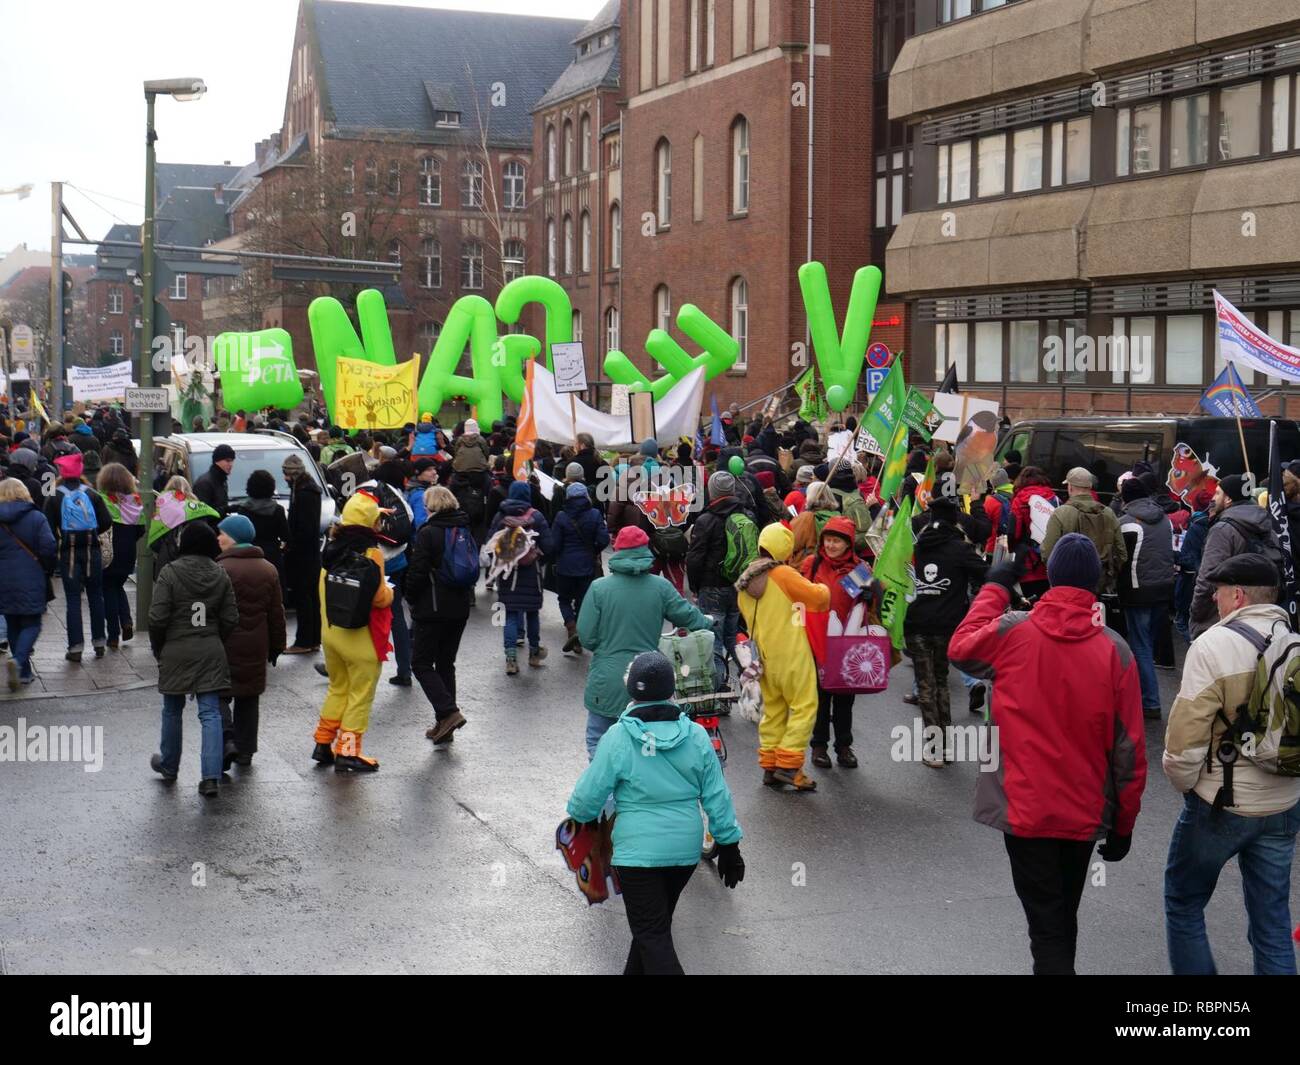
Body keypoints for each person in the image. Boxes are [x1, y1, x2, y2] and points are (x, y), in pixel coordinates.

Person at [949, 535, 1146, 974]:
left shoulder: (1013, 630)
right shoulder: (1116, 649)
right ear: (1094, 584)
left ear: (1052, 576)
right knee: (1059, 916)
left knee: (1048, 924)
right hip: (1083, 810)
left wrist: (995, 588)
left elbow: (960, 648)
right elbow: (1129, 749)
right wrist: (1124, 823)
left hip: (1025, 808)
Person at [1162, 555, 1300, 975]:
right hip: (1284, 802)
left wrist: (1188, 786)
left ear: (1237, 595)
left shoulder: (1212, 646)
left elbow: (1184, 742)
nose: (1215, 600)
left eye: (1218, 592)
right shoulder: (1292, 642)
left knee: (1183, 902)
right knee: (1272, 921)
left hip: (1223, 800)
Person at [566, 651, 744, 975]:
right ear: (671, 689)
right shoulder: (696, 736)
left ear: (632, 690)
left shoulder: (619, 738)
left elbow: (585, 798)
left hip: (637, 856)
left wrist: (585, 820)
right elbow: (717, 794)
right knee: (651, 930)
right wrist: (729, 845)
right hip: (683, 852)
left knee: (652, 934)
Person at [577, 526, 712, 758]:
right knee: (644, 748)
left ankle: (607, 790)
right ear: (646, 551)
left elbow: (586, 637)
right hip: (648, 680)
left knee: (599, 745)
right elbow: (687, 616)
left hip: (605, 681)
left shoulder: (599, 589)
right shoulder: (660, 587)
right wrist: (708, 622)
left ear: (617, 551)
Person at [148, 521, 240, 798]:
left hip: (176, 647)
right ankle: (210, 777)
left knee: (172, 710)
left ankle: (169, 765)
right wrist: (215, 638)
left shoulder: (170, 572)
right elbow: (230, 618)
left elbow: (157, 617)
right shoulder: (220, 574)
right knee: (210, 712)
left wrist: (159, 646)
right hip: (210, 647)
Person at [737, 522, 830, 790]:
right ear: (785, 548)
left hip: (764, 656)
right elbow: (819, 599)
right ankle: (789, 766)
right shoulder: (783, 574)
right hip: (791, 652)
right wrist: (820, 585)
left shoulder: (746, 578)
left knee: (775, 710)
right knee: (804, 705)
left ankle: (770, 765)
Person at [311, 492, 394, 772]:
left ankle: (323, 743)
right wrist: (392, 594)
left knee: (338, 689)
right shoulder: (371, 554)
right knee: (360, 694)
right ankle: (347, 751)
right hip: (362, 639)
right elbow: (379, 597)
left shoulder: (330, 551)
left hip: (331, 636)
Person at [905, 497, 989, 766]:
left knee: (926, 685)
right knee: (941, 682)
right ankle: (945, 747)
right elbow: (987, 575)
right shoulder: (960, 549)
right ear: (955, 520)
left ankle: (935, 748)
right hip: (948, 625)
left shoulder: (913, 547)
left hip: (916, 622)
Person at [801, 516, 876, 768]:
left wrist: (872, 593)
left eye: (837, 541)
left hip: (848, 642)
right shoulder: (813, 564)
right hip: (817, 639)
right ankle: (819, 746)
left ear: (848, 544)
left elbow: (869, 608)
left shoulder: (859, 569)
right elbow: (798, 598)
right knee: (820, 699)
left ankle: (844, 746)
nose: (831, 545)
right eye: (828, 540)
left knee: (845, 699)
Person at [215, 514, 286, 768]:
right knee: (249, 697)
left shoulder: (220, 569)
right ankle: (246, 751)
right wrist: (277, 646)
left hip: (225, 644)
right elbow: (276, 613)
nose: (218, 537)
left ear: (233, 538)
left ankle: (226, 739)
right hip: (256, 645)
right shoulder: (269, 569)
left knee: (218, 694)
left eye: (222, 533)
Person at [405, 486, 472, 746]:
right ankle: (444, 723)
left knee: (420, 663)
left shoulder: (429, 533)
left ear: (430, 506)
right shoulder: (463, 528)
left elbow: (417, 572)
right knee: (446, 663)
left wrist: (411, 598)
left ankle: (448, 712)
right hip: (460, 606)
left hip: (432, 607)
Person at [1189, 474, 1282, 640]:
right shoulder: (1267, 525)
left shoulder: (1222, 529)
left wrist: (1196, 614)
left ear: (1228, 499)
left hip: (1222, 618)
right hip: (1259, 615)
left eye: (1218, 493)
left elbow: (1207, 578)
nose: (1213, 498)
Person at [1117, 477, 1176, 720]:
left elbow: (1119, 557)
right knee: (1147, 644)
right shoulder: (1165, 520)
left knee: (1140, 646)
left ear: (1125, 498)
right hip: (1163, 590)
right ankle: (1145, 695)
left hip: (1137, 589)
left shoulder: (1125, 524)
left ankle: (1150, 702)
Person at [687, 470, 752, 692]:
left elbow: (695, 557)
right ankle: (751, 672)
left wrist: (695, 586)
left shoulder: (706, 520)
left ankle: (718, 687)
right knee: (733, 635)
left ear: (712, 491)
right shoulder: (745, 517)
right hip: (737, 586)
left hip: (711, 586)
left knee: (712, 638)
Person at [44, 451, 111, 662]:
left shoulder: (54, 494)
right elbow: (107, 521)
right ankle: (99, 642)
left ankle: (75, 648)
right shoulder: (92, 493)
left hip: (69, 553)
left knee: (73, 599)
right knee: (95, 596)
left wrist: (60, 538)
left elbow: (47, 525)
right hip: (92, 550)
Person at [486, 479, 553, 674]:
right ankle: (534, 654)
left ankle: (511, 658)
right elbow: (549, 546)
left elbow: (490, 546)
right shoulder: (537, 516)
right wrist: (537, 557)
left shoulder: (501, 515)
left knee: (510, 614)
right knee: (532, 613)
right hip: (532, 573)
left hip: (507, 574)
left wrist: (504, 558)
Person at [0, 478, 56, 689]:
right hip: (31, 576)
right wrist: (47, 568)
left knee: (13, 622)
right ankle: (19, 661)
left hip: (3, 579)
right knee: (32, 623)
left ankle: (23, 672)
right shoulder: (36, 517)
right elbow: (49, 547)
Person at [1040, 467, 1127, 597]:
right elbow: (1122, 553)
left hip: (1066, 586)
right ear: (1090, 487)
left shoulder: (1061, 513)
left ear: (1070, 487)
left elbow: (1047, 553)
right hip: (1099, 584)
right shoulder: (1108, 513)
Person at [551, 481, 610, 655]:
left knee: (564, 599)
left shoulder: (561, 516)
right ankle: (578, 633)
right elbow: (604, 539)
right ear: (586, 497)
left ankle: (571, 627)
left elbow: (554, 544)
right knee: (583, 601)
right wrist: (593, 550)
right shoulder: (594, 514)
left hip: (565, 566)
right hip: (586, 566)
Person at [96, 462, 145, 650]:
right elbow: (141, 530)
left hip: (109, 552)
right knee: (118, 585)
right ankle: (126, 621)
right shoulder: (135, 501)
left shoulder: (101, 500)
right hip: (128, 553)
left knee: (107, 588)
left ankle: (114, 635)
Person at [281, 454, 322, 654]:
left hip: (303, 555)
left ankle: (304, 641)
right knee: (312, 597)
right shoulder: (309, 489)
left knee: (303, 598)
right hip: (311, 553)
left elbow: (303, 528)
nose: (285, 479)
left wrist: (290, 544)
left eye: (286, 474)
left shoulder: (303, 493)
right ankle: (313, 638)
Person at [1008, 467, 1058, 600]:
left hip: (1028, 564)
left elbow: (1014, 534)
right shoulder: (1054, 499)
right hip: (1051, 563)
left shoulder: (1019, 501)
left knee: (1031, 606)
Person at [232, 468, 289, 581]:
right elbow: (285, 536)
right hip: (272, 556)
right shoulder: (278, 510)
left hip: (249, 555)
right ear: (271, 487)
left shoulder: (243, 509)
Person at [1174, 486, 1214, 642]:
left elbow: (1187, 556)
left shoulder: (1196, 524)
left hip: (1191, 578)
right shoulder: (1215, 522)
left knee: (1183, 622)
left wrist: (1175, 557)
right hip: (1207, 579)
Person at [788, 481, 840, 566]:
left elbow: (790, 543)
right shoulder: (838, 516)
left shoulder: (805, 518)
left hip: (807, 567)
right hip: (831, 565)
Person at [193, 443, 235, 518]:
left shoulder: (222, 480)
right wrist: (226, 509)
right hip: (209, 528)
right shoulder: (204, 483)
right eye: (227, 461)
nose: (231, 464)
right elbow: (203, 513)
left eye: (232, 461)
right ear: (217, 461)